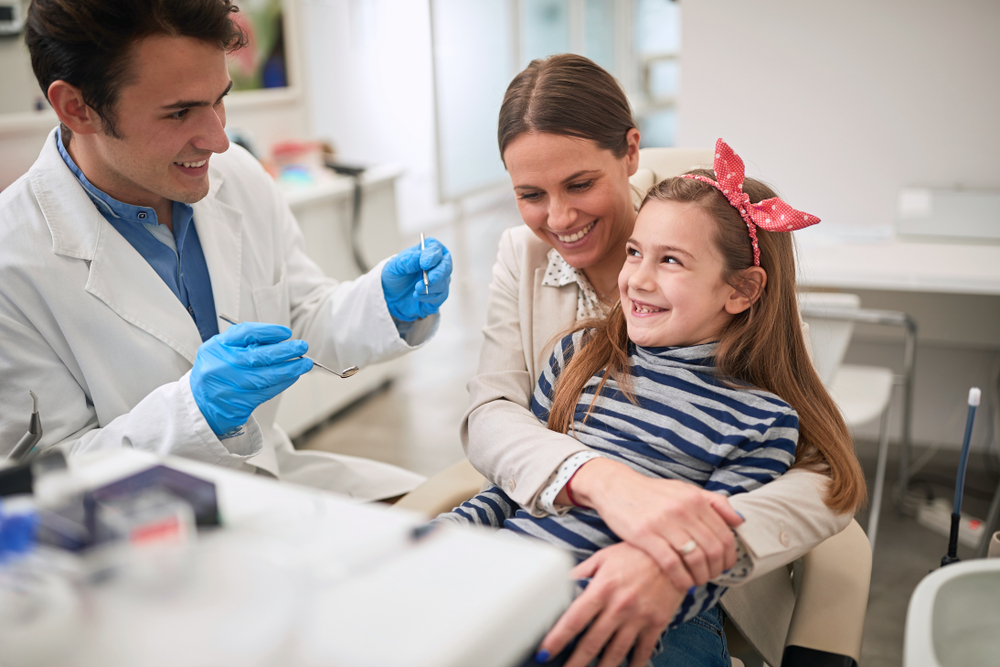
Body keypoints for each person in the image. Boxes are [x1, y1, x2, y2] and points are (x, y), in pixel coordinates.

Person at [461, 54, 866, 666]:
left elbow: (819, 465)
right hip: (530, 568)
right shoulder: (567, 340)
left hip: (682, 602)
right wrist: (600, 481)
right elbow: (493, 413)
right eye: (530, 195)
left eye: (579, 184)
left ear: (630, 152)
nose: (561, 218)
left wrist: (671, 561)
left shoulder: (721, 252)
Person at [0, 0, 452, 500]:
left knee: (457, 526)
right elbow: (41, 482)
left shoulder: (234, 176)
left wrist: (381, 306)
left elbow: (299, 319)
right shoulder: (13, 261)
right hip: (137, 538)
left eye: (219, 99)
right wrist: (195, 413)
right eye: (179, 112)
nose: (217, 140)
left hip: (271, 484)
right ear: (76, 108)